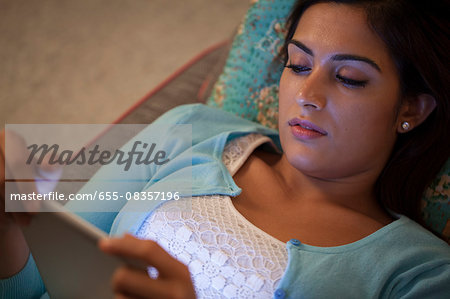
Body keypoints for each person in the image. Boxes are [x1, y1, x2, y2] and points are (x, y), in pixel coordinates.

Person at [1, 0, 450, 298]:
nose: (307, 93)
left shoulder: (421, 273)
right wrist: (9, 217)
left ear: (411, 106)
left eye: (349, 78)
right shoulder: (191, 129)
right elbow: (30, 283)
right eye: (298, 65)